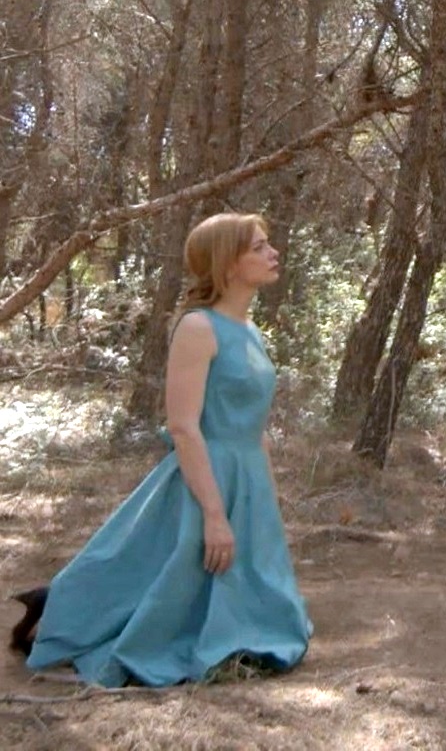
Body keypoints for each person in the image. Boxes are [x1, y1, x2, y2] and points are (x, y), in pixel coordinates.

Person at [23, 212, 313, 687]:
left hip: (247, 478)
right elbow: (183, 426)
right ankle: (61, 611)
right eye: (258, 247)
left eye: (268, 244)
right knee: (161, 576)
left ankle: (232, 639)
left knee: (246, 588)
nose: (273, 252)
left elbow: (254, 426)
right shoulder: (198, 328)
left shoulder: (252, 331)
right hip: (205, 475)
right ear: (227, 263)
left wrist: (266, 501)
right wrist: (214, 513)